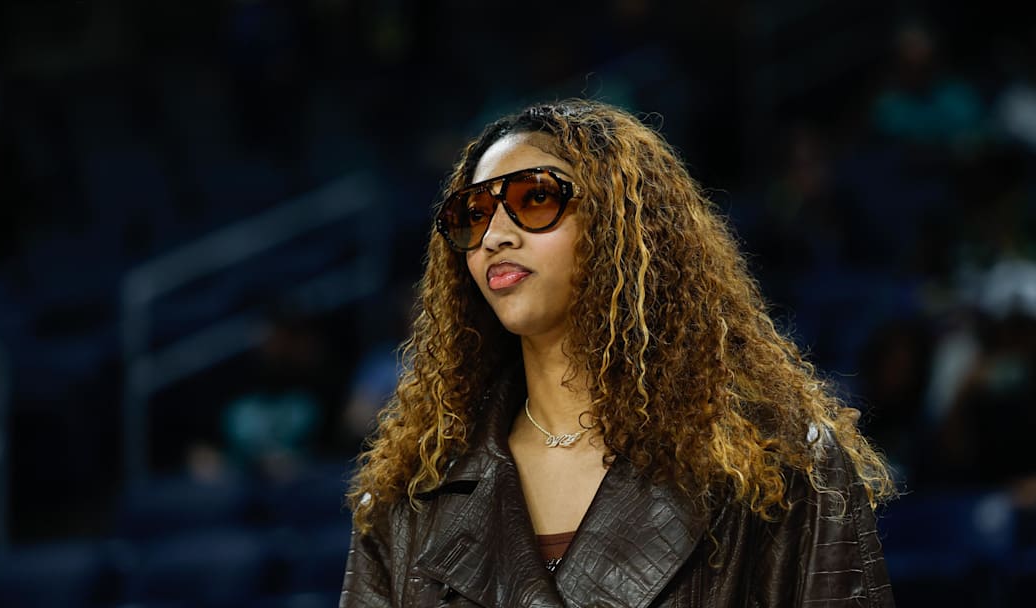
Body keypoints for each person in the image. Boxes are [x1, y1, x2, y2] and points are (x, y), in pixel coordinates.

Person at [340, 99, 895, 606]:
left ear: (617, 224)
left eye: (536, 198)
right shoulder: (408, 499)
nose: (495, 235)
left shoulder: (783, 464)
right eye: (475, 213)